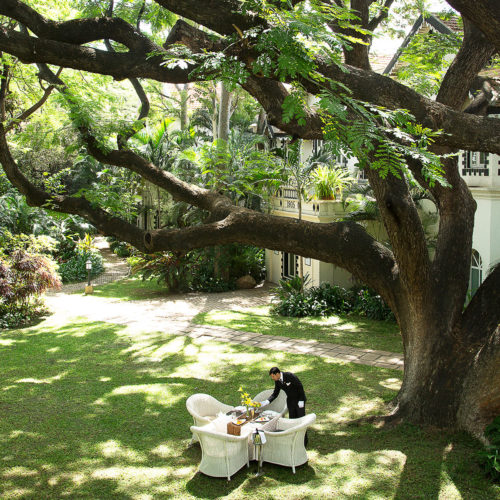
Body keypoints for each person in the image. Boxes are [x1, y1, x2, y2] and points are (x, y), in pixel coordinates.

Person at [261, 366, 308, 446]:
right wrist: (267, 401)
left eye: (273, 376)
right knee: (292, 420)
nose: (272, 378)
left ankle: (304, 441)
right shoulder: (277, 381)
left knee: (301, 419)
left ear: (278, 374)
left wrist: (301, 400)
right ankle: (294, 439)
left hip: (299, 400)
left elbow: (300, 387)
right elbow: (275, 393)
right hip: (290, 401)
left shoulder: (289, 376)